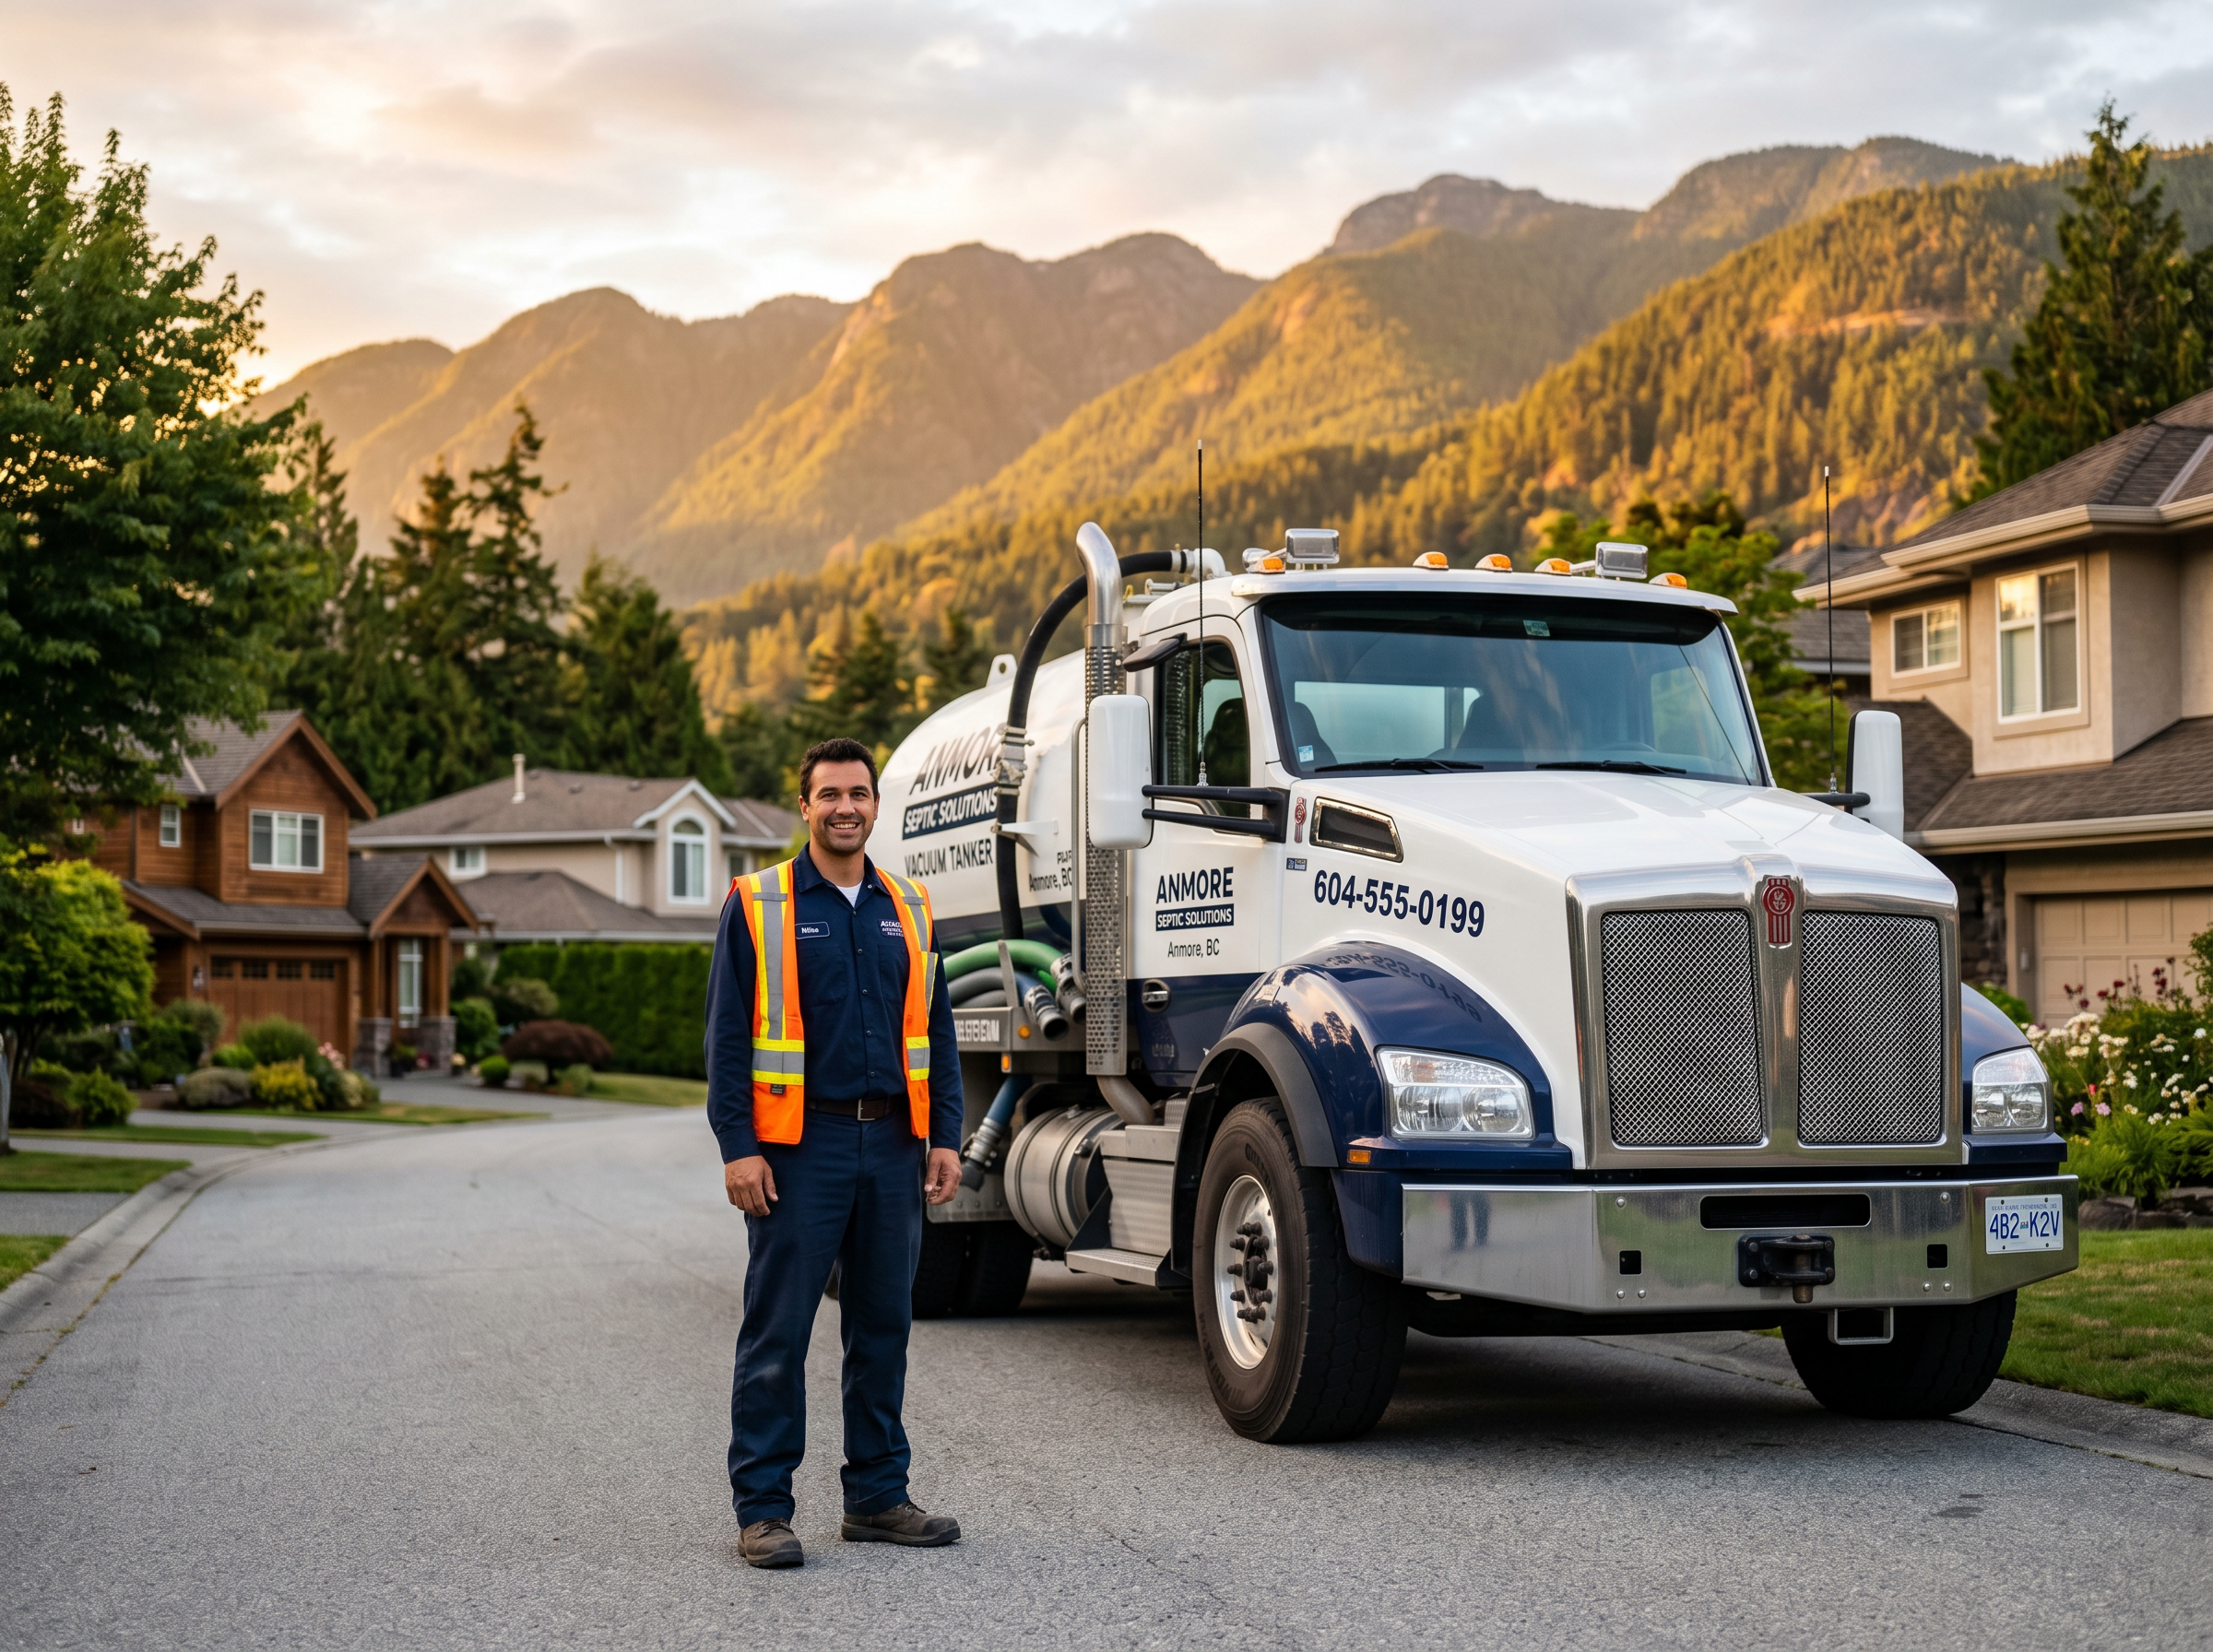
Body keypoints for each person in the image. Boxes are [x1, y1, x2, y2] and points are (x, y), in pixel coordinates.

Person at [705, 736, 966, 1569]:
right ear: (805, 804)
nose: (846, 807)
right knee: (777, 1329)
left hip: (893, 1142)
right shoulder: (760, 902)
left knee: (883, 1324)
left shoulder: (910, 907)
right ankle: (764, 1510)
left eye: (859, 794)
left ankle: (878, 1498)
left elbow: (939, 1033)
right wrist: (739, 1147)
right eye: (830, 795)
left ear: (875, 806)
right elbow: (726, 1040)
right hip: (798, 1148)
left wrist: (945, 1136)